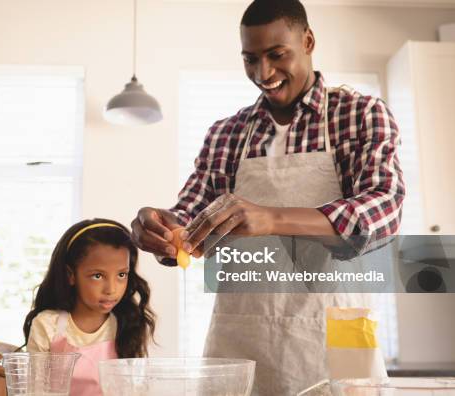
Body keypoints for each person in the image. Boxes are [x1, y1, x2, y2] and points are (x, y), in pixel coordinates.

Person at [131, 0, 404, 394]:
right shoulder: (226, 133)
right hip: (241, 334)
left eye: (277, 55)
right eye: (250, 59)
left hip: (342, 331)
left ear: (308, 41)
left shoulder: (359, 114)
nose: (264, 73)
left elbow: (383, 211)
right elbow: (190, 218)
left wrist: (272, 219)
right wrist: (162, 228)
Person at [23, 219, 156, 396]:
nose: (111, 289)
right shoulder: (47, 325)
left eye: (121, 274)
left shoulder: (128, 324)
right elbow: (35, 391)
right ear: (71, 275)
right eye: (98, 276)